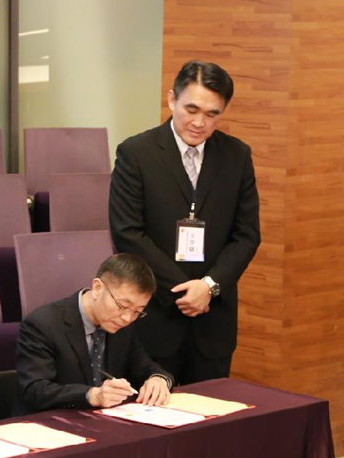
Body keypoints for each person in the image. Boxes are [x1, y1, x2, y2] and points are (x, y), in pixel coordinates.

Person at [109, 60, 260, 385]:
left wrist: (208, 286)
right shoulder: (136, 153)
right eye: (191, 109)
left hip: (213, 319)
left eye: (212, 114)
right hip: (153, 315)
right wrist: (182, 291)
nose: (199, 122)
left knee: (211, 411)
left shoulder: (236, 156)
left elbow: (247, 235)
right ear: (171, 99)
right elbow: (128, 233)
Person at [14, 253, 172, 415]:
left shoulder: (123, 326)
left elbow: (146, 366)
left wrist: (158, 380)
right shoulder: (43, 324)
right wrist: (91, 395)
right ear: (97, 288)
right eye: (122, 306)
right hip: (50, 421)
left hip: (104, 420)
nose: (127, 318)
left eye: (137, 312)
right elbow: (35, 390)